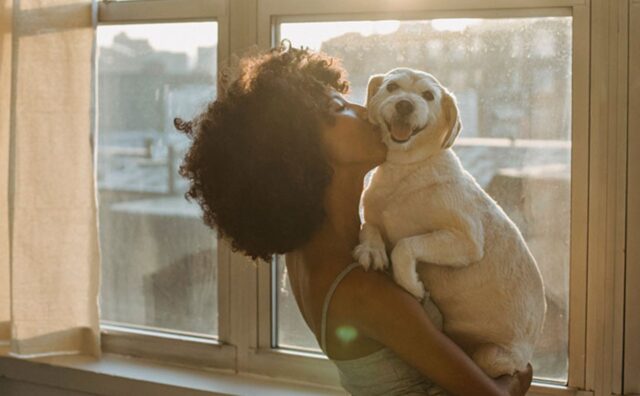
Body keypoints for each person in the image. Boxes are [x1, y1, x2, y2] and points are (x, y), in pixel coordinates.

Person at [175, 43, 533, 396]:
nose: (364, 110)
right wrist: (517, 378)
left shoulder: (308, 253)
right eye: (339, 107)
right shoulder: (364, 291)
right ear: (299, 147)